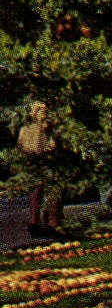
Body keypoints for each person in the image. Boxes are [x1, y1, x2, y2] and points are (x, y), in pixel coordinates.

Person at [17, 101, 63, 238]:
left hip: (31, 163)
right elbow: (52, 146)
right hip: (46, 162)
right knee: (53, 193)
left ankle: (34, 223)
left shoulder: (25, 129)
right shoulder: (45, 129)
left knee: (35, 195)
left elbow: (21, 146)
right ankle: (52, 224)